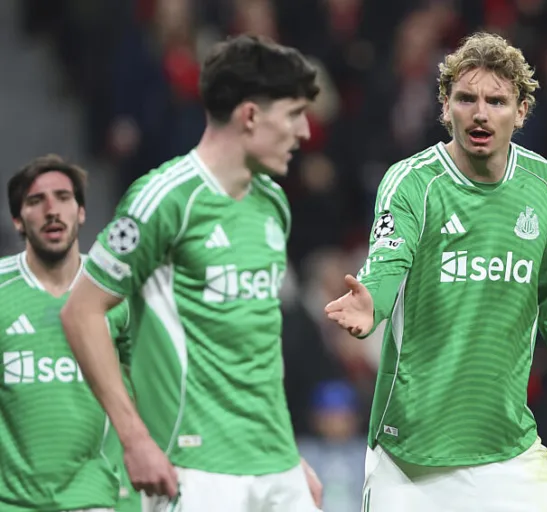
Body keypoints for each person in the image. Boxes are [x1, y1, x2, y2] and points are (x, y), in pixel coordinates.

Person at [325, 32, 547, 511]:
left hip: (508, 449)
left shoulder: (541, 183)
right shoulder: (414, 183)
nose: (480, 113)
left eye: (496, 101)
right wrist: (372, 303)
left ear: (521, 111)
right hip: (412, 458)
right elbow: (387, 260)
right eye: (466, 98)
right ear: (445, 107)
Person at [60, 35, 323, 512]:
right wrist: (134, 438)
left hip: (276, 464)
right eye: (293, 114)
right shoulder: (164, 199)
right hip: (196, 467)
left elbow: (257, 345)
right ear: (249, 115)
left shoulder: (273, 204)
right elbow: (81, 312)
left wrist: (287, 453)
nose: (304, 131)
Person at [0, 154, 137, 511]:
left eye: (63, 197)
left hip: (92, 498)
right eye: (36, 201)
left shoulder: (117, 291)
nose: (52, 210)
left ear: (81, 212)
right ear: (17, 220)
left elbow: (148, 385)